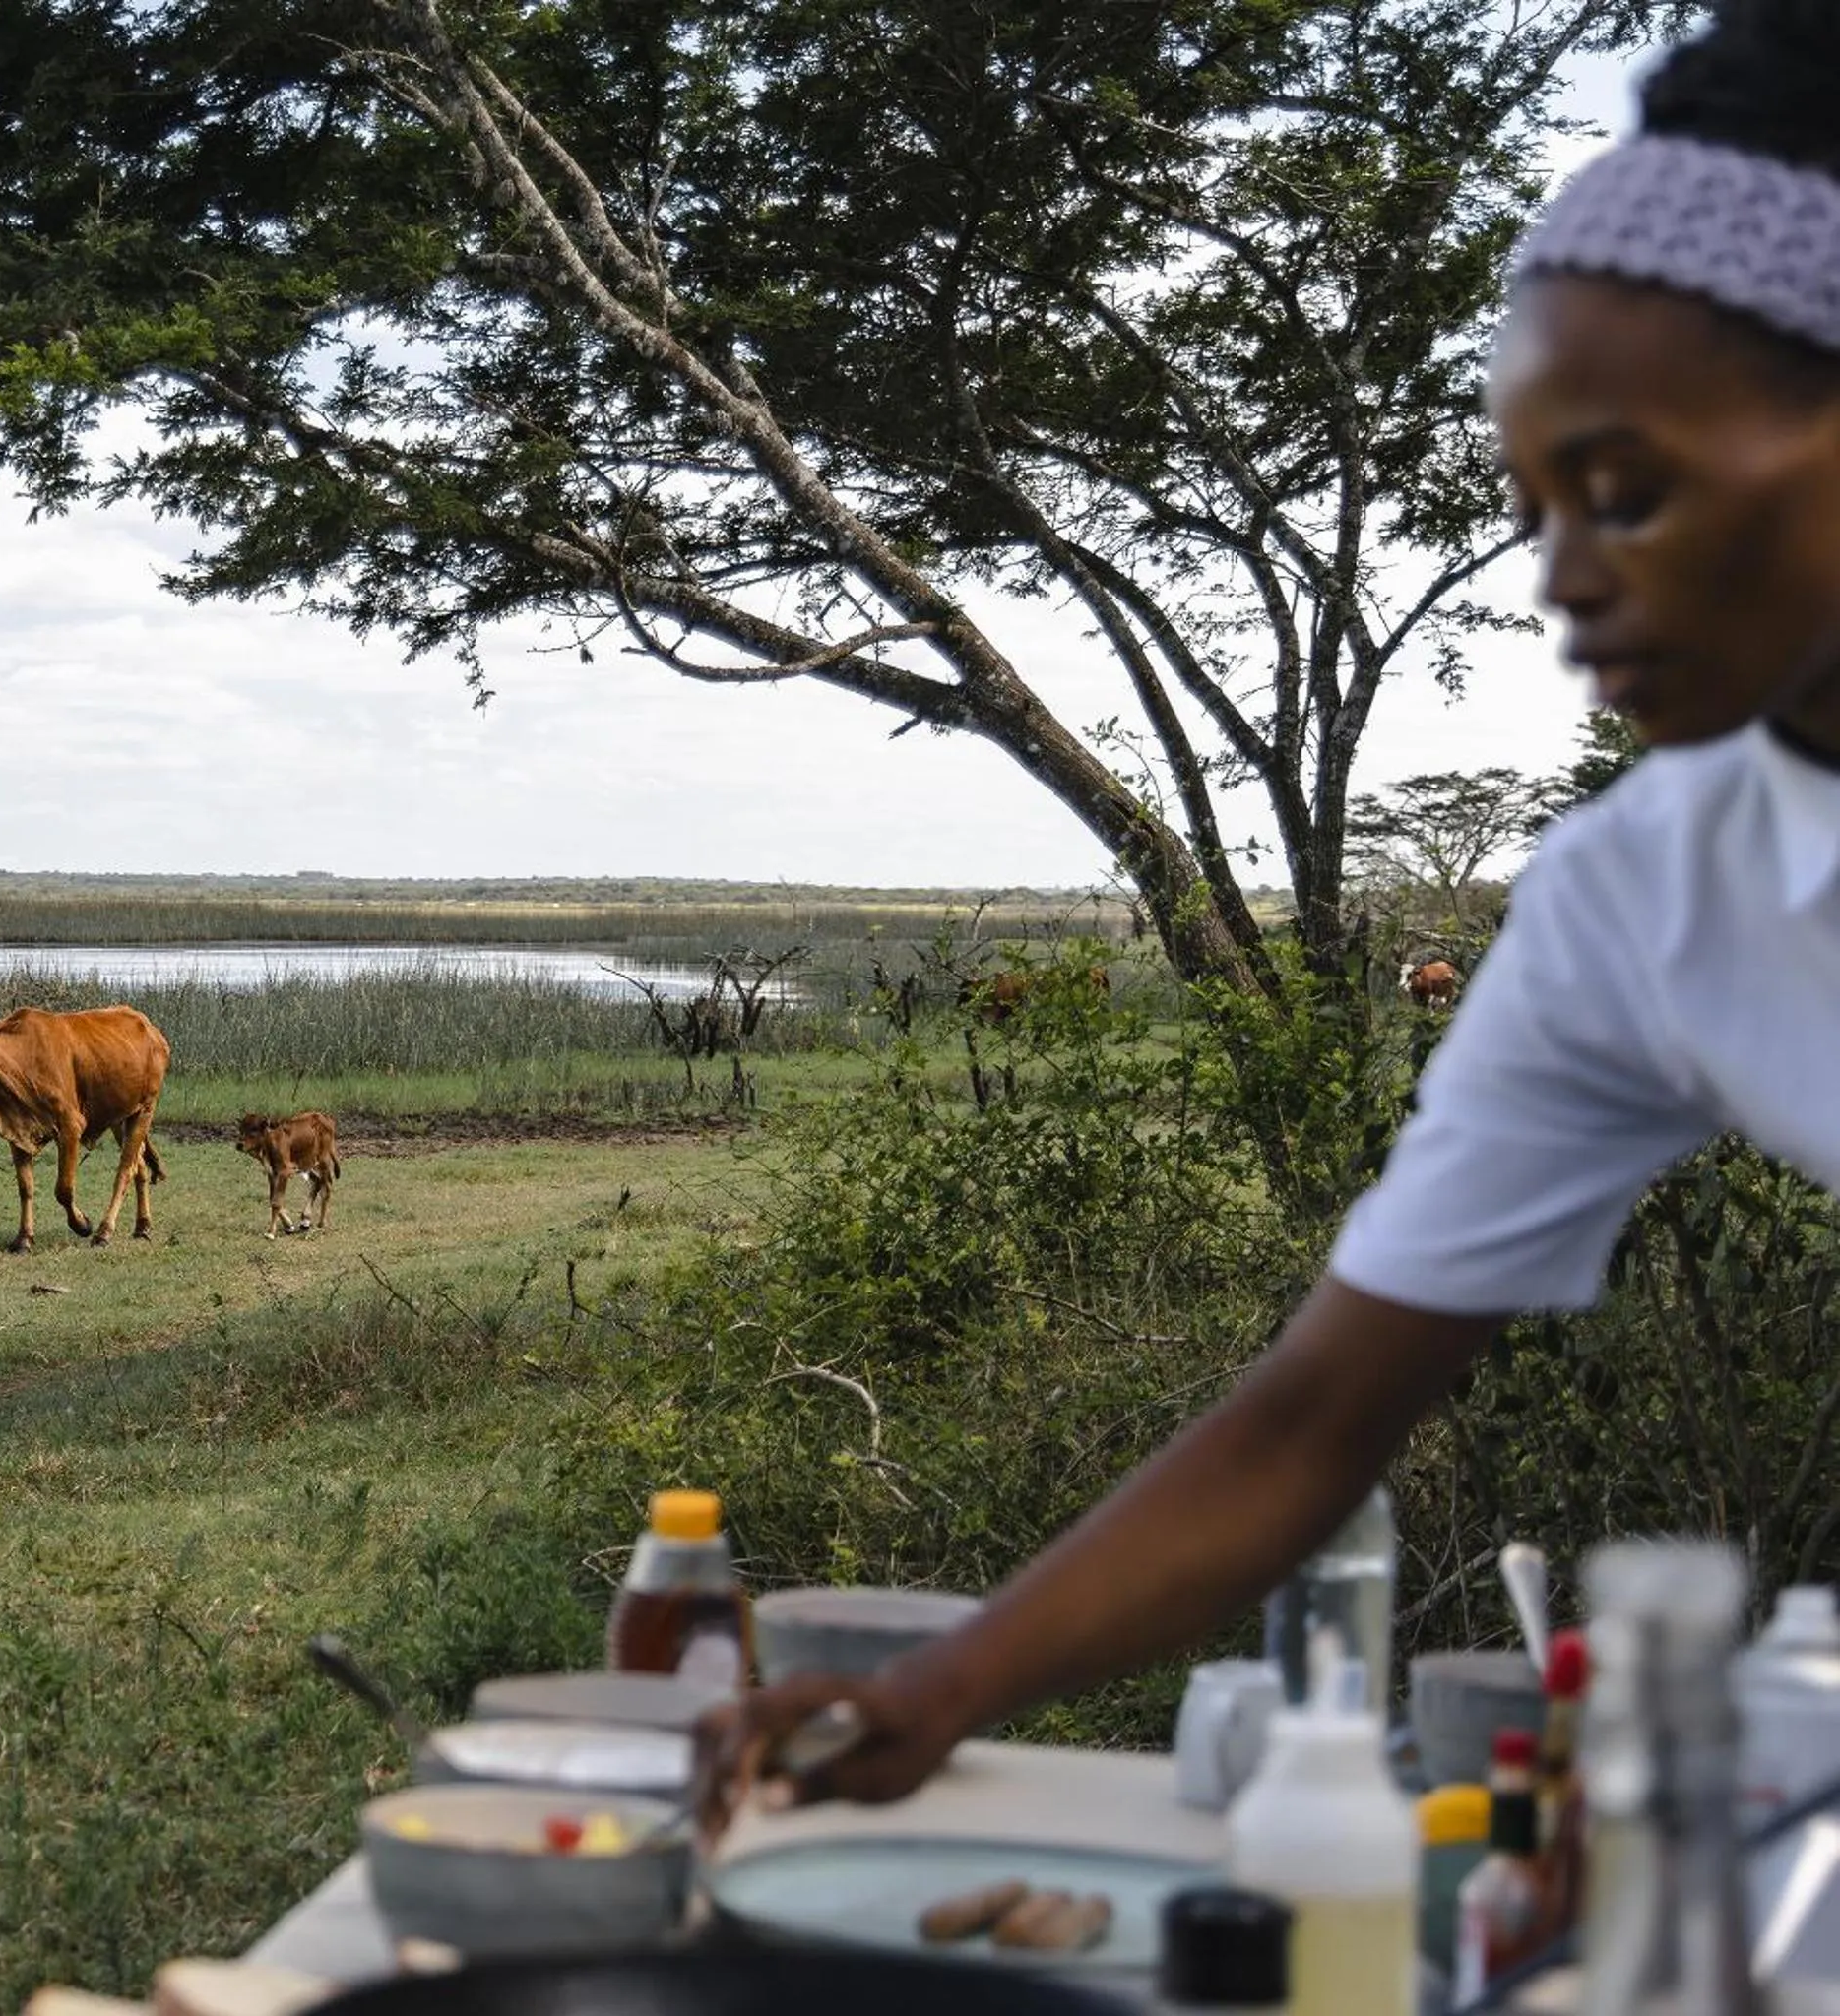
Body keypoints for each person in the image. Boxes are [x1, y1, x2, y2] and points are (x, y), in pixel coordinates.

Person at [696, 0, 1840, 1835]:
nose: (1560, 581)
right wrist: (931, 1695)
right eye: (1533, 503)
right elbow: (1313, 1418)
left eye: (1624, 488)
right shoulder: (1650, 893)